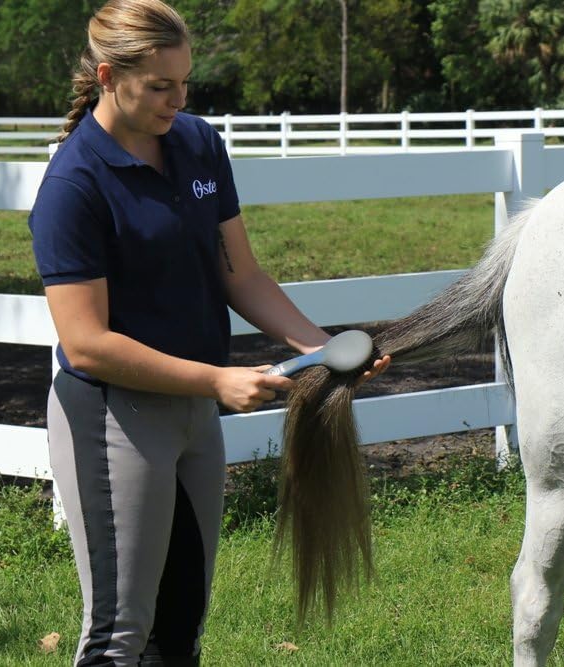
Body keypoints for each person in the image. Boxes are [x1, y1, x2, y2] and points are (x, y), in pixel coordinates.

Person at [27, 1, 389, 664]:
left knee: (182, 627)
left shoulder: (198, 144)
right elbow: (87, 342)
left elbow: (242, 275)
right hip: (114, 420)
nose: (178, 99)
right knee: (118, 633)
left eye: (184, 83)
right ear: (108, 76)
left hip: (194, 418)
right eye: (160, 86)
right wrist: (217, 379)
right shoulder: (73, 186)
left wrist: (324, 350)